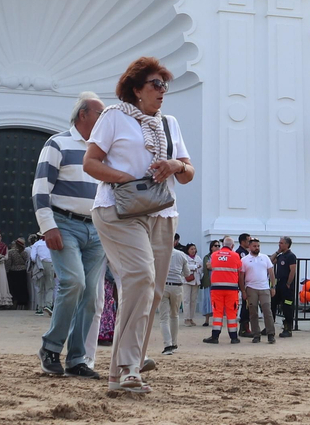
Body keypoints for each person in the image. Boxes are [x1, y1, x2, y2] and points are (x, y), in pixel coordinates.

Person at [84, 56, 195, 395]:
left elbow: (189, 173)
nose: (163, 91)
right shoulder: (114, 117)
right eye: (156, 84)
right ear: (136, 89)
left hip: (162, 212)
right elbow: (91, 162)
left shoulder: (169, 123)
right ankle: (130, 366)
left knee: (154, 290)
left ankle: (121, 373)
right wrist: (129, 180)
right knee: (140, 277)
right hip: (119, 210)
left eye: (165, 85)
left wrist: (175, 164)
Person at [204, 236, 242, 343]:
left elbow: (210, 266)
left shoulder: (214, 255)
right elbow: (239, 268)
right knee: (231, 313)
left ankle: (215, 337)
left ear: (222, 245)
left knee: (217, 313)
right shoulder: (235, 255)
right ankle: (234, 337)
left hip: (216, 289)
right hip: (231, 289)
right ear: (232, 246)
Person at [240, 237, 277, 344]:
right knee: (253, 312)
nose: (257, 248)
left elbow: (271, 273)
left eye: (258, 246)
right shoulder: (244, 260)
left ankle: (270, 334)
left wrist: (273, 286)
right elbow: (241, 276)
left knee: (267, 311)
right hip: (251, 288)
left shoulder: (265, 258)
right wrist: (243, 290)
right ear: (250, 246)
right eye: (254, 246)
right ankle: (256, 334)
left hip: (264, 287)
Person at [158, 242, 190, 353]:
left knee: (163, 318)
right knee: (174, 315)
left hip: (163, 286)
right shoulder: (181, 254)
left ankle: (168, 344)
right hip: (177, 286)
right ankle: (174, 342)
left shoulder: (158, 253)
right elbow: (187, 273)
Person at [29, 233, 55, 315]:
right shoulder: (52, 242)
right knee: (50, 287)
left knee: (39, 288)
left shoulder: (36, 244)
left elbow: (33, 257)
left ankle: (39, 308)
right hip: (50, 264)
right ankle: (48, 305)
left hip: (40, 265)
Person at [6, 237, 30, 310]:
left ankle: (14, 302)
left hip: (13, 272)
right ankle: (23, 303)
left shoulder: (10, 252)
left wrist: (6, 271)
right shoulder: (24, 252)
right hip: (22, 271)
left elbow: (8, 263)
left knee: (14, 288)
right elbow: (27, 261)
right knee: (22, 288)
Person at [182, 244, 202, 327]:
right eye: (191, 249)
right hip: (187, 281)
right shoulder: (185, 258)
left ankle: (191, 318)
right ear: (188, 250)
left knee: (193, 300)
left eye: (194, 249)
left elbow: (201, 269)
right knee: (186, 300)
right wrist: (195, 266)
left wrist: (196, 268)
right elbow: (184, 267)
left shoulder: (198, 258)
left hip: (196, 280)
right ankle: (186, 318)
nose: (193, 250)